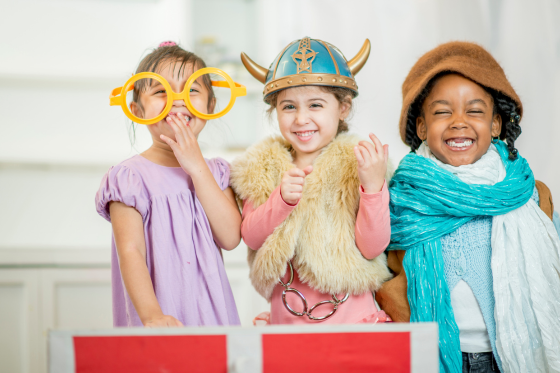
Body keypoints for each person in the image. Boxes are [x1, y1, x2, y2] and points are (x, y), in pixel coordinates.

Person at [376, 41, 560, 373]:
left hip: (507, 358)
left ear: (495, 125)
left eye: (474, 110)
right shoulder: (399, 199)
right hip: (428, 355)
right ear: (421, 127)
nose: (459, 121)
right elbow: (368, 268)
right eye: (442, 111)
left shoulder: (531, 196)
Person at [231, 37, 392, 325]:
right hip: (288, 318)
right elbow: (252, 238)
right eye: (288, 107)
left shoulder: (361, 163)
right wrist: (281, 201)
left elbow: (372, 247)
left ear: (343, 108)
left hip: (352, 318)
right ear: (275, 111)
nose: (301, 119)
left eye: (315, 105)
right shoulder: (261, 166)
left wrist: (372, 187)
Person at [95, 41, 241, 327]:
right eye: (161, 91)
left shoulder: (217, 172)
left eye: (193, 90)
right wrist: (152, 316)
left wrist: (196, 167)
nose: (178, 99)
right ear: (136, 108)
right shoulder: (129, 179)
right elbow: (131, 251)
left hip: (212, 317)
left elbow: (230, 237)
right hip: (158, 319)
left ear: (210, 105)